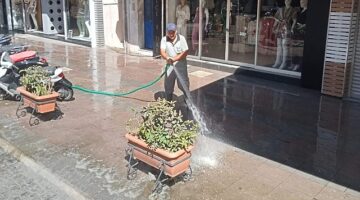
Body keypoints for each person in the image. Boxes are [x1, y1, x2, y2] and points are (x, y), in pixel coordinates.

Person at [160, 23, 190, 101]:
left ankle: (188, 101)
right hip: (170, 66)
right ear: (167, 32)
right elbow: (162, 51)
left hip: (181, 66)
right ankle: (168, 102)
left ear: (176, 31)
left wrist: (175, 59)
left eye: (173, 32)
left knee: (183, 85)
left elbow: (185, 52)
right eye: (169, 32)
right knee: (168, 86)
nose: (171, 34)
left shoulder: (181, 38)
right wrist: (167, 57)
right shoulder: (164, 39)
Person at [272, 0, 297, 70]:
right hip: (280, 28)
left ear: (291, 1)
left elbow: (294, 20)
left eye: (288, 0)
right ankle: (278, 61)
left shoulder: (292, 10)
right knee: (279, 46)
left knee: (285, 46)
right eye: (286, 0)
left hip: (287, 28)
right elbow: (275, 18)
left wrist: (292, 28)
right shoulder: (281, 9)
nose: (287, 1)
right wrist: (274, 26)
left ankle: (284, 63)